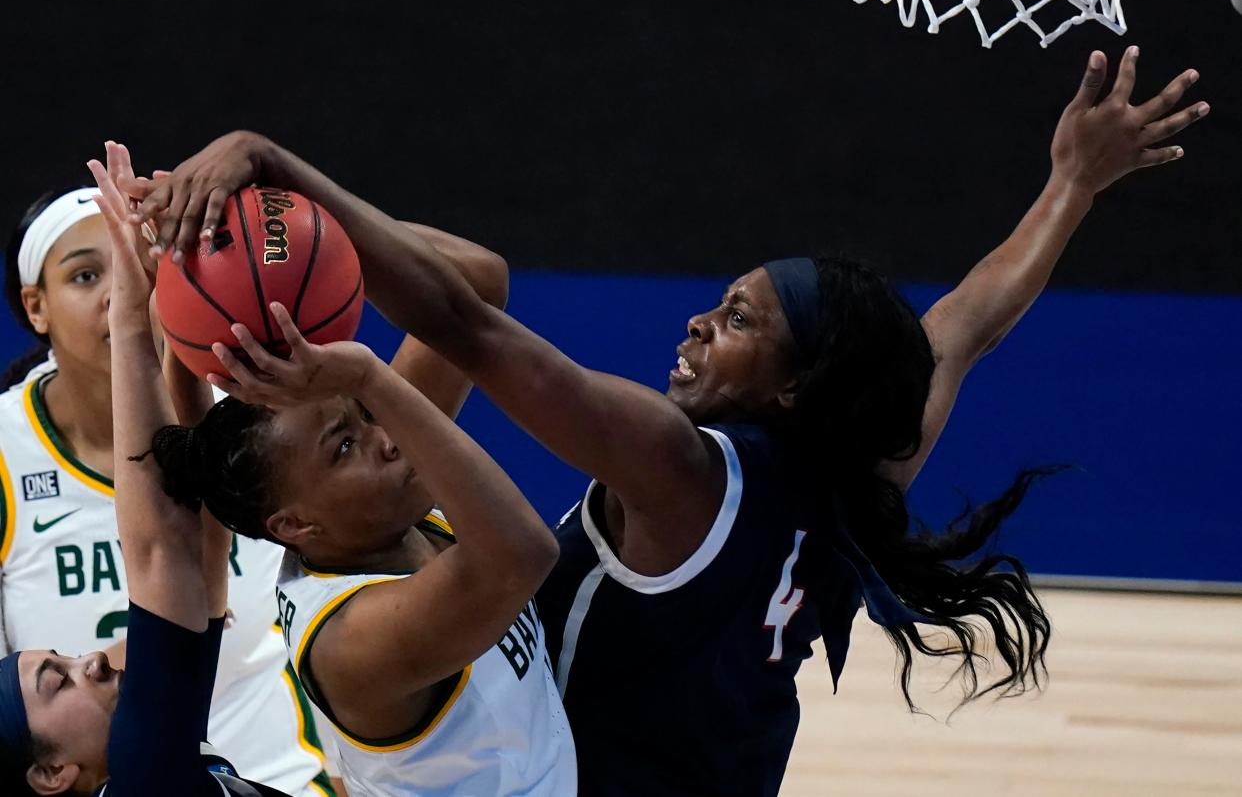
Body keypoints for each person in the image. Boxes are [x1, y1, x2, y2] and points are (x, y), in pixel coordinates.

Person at [129, 48, 1208, 796]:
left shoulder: (678, 471)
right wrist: (1071, 182)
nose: (697, 323)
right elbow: (966, 323)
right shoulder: (860, 471)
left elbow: (466, 316)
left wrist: (274, 164)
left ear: (790, 386)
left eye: (737, 319)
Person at [115, 150, 579, 792]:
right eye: (343, 446)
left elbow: (474, 284)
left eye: (361, 416)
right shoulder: (351, 643)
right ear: (294, 523)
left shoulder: (372, 502)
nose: (385, 439)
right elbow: (524, 554)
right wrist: (367, 376)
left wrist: (289, 221)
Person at [0, 165, 335, 794]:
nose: (92, 659)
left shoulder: (244, 404)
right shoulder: (144, 765)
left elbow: (199, 552)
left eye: (129, 266)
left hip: (288, 772)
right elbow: (171, 551)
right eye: (85, 274)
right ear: (34, 306)